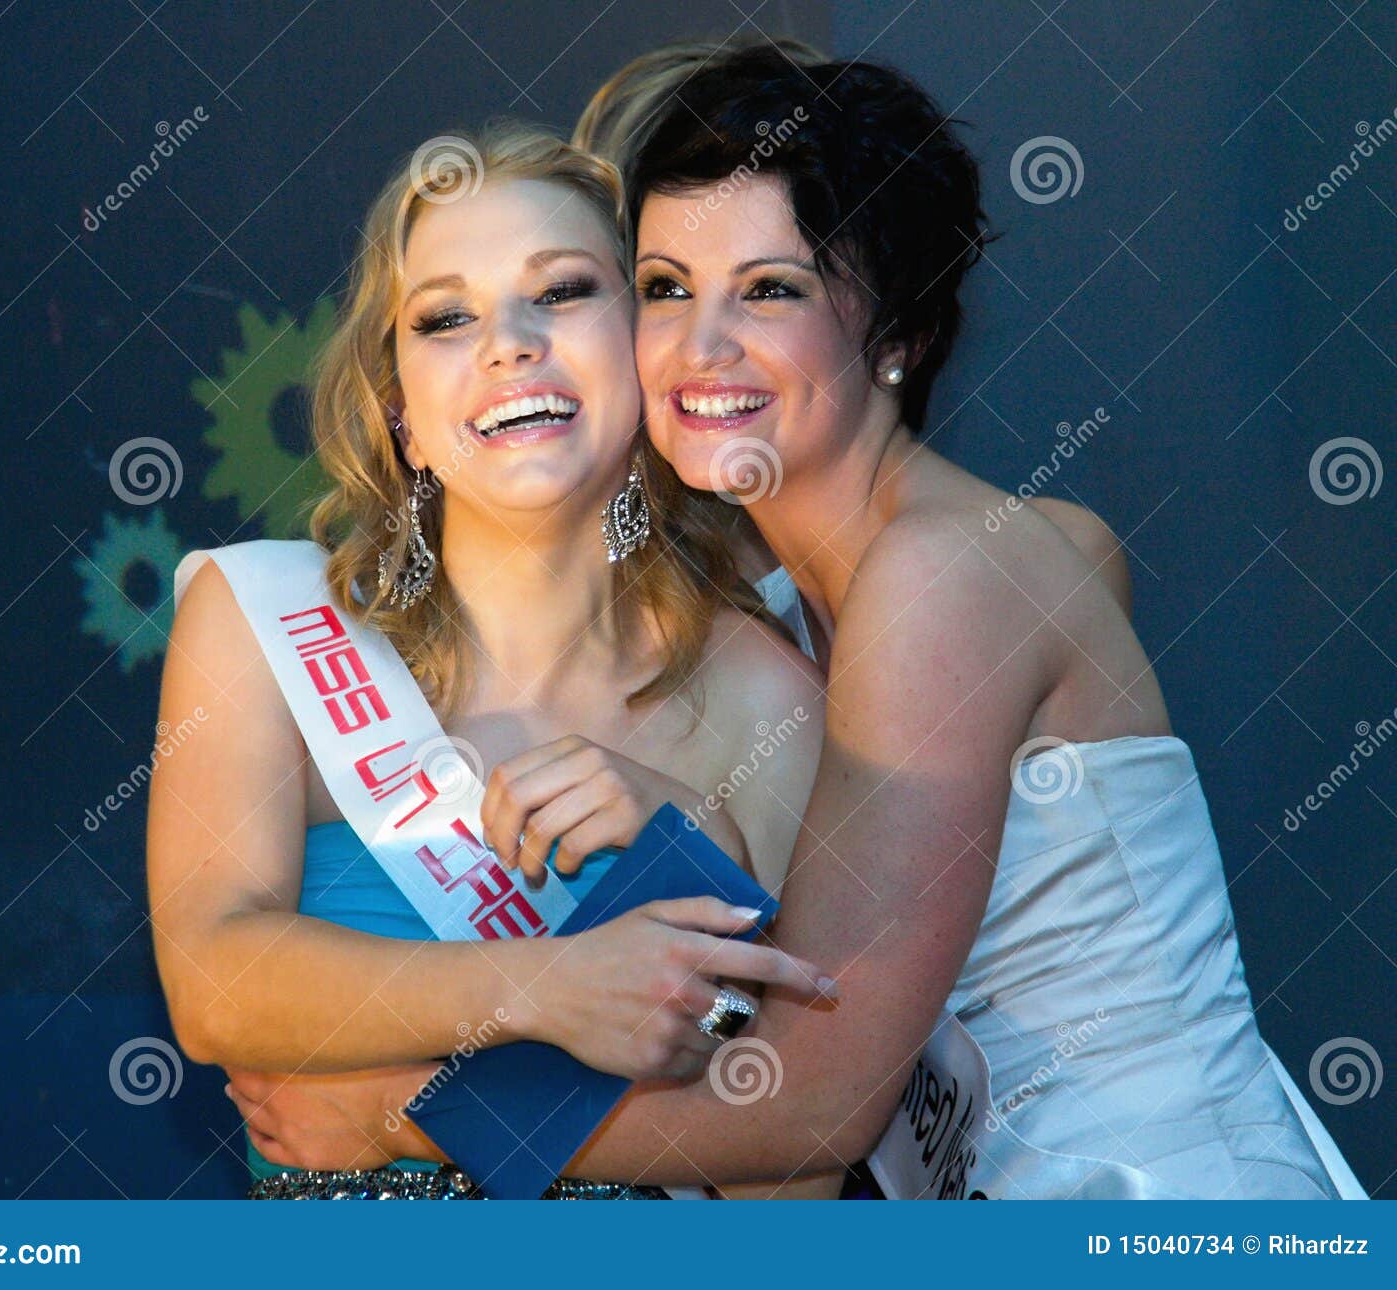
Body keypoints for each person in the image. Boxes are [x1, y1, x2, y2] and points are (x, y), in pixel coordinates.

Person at [250, 44, 1366, 1200]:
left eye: (769, 289)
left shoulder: (937, 579)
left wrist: (396, 1115)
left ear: (897, 336)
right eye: (668, 286)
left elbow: (814, 1101)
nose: (700, 345)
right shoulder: (832, 595)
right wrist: (696, 829)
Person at [147, 120, 836, 1200]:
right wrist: (551, 987)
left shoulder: (769, 700)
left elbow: (793, 1162)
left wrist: (706, 845)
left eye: (561, 292)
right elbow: (211, 985)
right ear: (402, 419)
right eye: (447, 317)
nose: (508, 343)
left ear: (650, 347)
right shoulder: (263, 618)